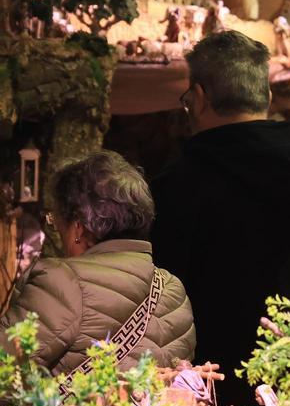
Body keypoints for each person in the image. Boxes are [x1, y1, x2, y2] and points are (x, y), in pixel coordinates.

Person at [150, 30, 290, 406]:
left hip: (204, 397)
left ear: (199, 98)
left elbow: (157, 299)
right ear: (268, 97)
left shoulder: (175, 188)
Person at [1, 151, 195, 375]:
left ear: (78, 228)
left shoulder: (62, 281)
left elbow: (5, 367)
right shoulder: (173, 289)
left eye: (55, 224)